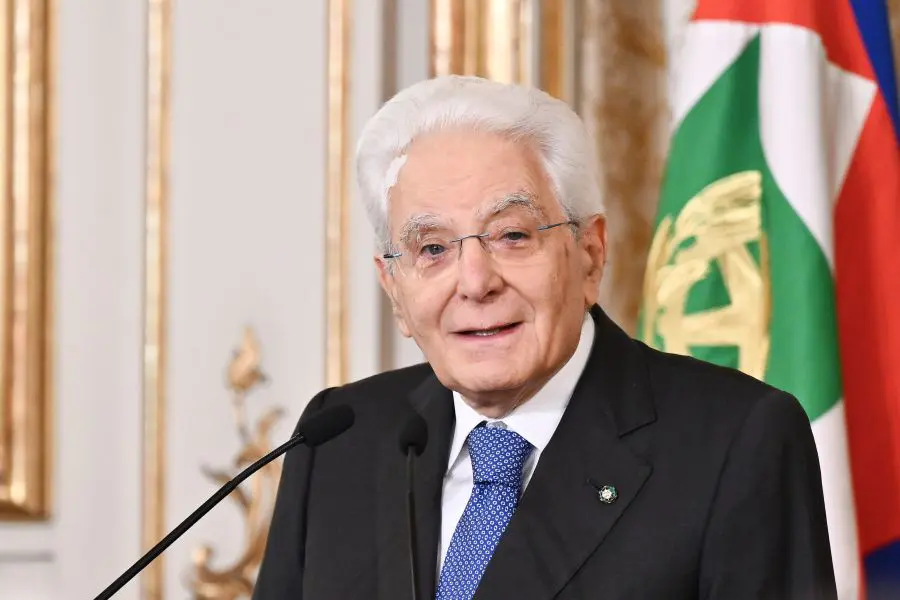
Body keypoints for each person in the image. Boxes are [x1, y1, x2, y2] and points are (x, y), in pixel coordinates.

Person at [252, 75, 837, 599]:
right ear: (394, 288)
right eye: (432, 249)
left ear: (590, 254)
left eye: (511, 236)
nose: (475, 283)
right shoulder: (338, 441)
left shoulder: (736, 442)